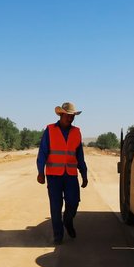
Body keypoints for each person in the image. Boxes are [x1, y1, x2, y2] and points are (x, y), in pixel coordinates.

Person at [37, 102, 88, 245]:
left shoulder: (76, 132)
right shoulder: (50, 130)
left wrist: (84, 174)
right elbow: (43, 152)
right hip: (54, 176)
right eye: (68, 115)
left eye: (72, 116)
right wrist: (40, 171)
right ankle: (58, 235)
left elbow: (80, 156)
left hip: (71, 175)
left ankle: (68, 221)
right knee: (55, 206)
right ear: (61, 114)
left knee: (73, 202)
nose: (70, 118)